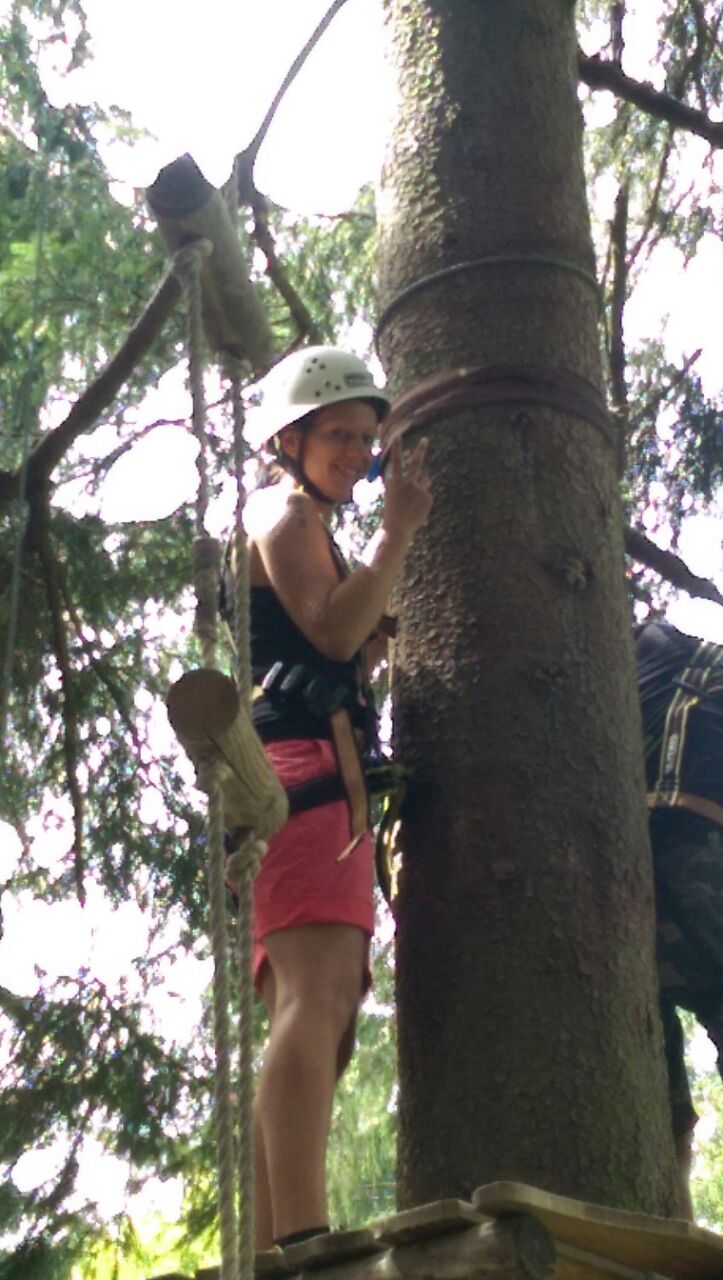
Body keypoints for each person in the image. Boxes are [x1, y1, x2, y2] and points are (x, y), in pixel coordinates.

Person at [228, 346, 432, 1251]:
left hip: (306, 778)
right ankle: (303, 1239)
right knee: (318, 996)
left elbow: (339, 643)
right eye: (339, 435)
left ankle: (273, 1243)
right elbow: (333, 629)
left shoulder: (302, 521)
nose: (357, 452)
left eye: (365, 439)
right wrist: (397, 533)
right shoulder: (282, 510)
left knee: (314, 1006)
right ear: (290, 438)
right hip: (306, 776)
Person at [635, 619, 723, 1216]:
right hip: (697, 858)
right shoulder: (678, 656)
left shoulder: (650, 654)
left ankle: (672, 1222)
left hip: (631, 872)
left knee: (657, 1093)